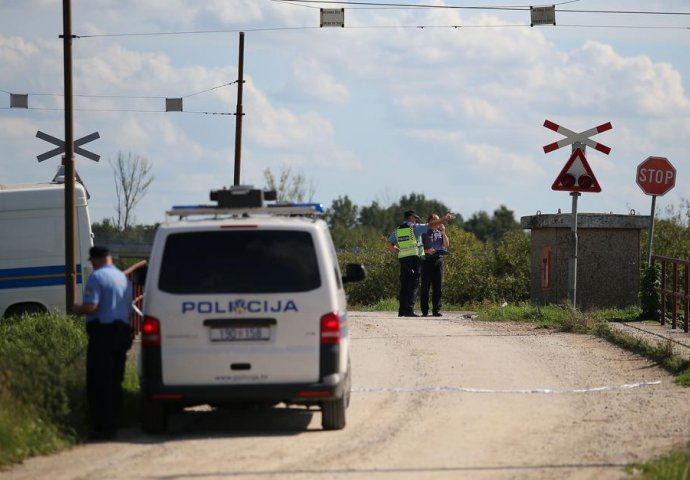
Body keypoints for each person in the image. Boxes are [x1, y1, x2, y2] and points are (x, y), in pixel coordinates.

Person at [72, 246, 133, 440]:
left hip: (103, 333)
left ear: (96, 260)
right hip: (122, 333)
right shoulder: (123, 278)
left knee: (98, 381)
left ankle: (101, 427)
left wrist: (77, 309)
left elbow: (91, 306)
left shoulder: (97, 277)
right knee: (115, 380)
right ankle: (114, 423)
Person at [387, 209, 455, 317]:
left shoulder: (397, 230)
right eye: (415, 218)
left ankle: (402, 310)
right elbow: (430, 225)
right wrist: (443, 219)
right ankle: (409, 310)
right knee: (413, 284)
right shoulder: (414, 228)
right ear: (412, 218)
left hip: (403, 259)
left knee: (404, 284)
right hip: (414, 258)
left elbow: (389, 243)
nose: (416, 220)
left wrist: (399, 250)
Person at [420, 213, 450, 317]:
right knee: (425, 287)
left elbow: (446, 245)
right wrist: (426, 250)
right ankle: (424, 311)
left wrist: (443, 232)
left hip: (438, 261)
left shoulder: (439, 232)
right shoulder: (424, 232)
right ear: (430, 222)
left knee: (438, 287)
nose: (439, 223)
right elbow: (418, 248)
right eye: (436, 221)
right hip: (426, 261)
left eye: (439, 221)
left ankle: (436, 310)